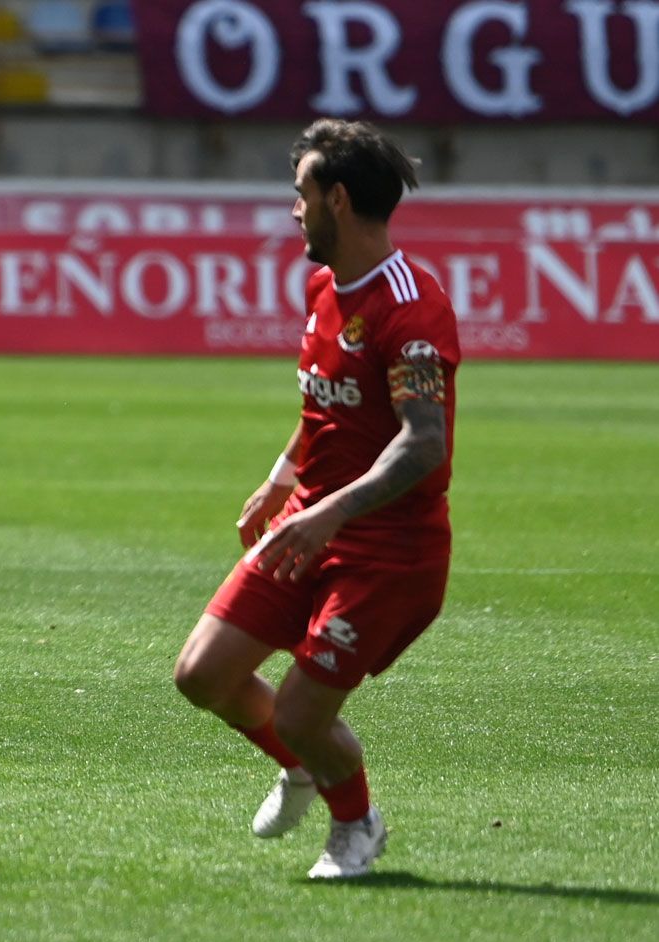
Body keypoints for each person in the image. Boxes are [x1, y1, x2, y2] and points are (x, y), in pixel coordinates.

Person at [173, 118, 459, 879]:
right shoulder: (322, 285)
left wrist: (330, 508)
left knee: (302, 711)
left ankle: (355, 825)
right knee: (203, 674)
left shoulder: (412, 308)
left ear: (337, 198)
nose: (292, 208)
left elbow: (423, 441)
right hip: (312, 519)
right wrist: (282, 476)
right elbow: (327, 407)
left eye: (299, 192)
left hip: (388, 549)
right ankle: (302, 764)